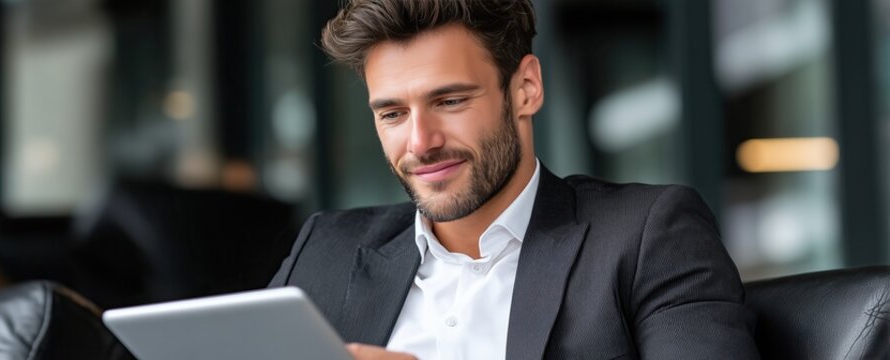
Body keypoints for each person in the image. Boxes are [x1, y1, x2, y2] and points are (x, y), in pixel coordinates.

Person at [269, 0, 760, 359]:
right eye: (393, 113)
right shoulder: (326, 252)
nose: (421, 142)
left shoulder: (649, 234)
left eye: (450, 101)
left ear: (525, 88)